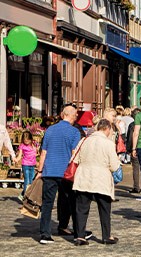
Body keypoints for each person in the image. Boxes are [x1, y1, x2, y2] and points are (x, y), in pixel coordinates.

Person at [35, 104, 83, 245]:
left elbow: (44, 152)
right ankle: (78, 232)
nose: (76, 118)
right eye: (75, 115)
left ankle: (45, 234)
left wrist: (39, 170)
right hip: (66, 173)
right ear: (69, 115)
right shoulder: (74, 132)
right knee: (73, 202)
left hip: (49, 171)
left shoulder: (50, 129)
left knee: (47, 204)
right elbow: (74, 153)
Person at [72, 119, 121, 245]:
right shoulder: (108, 143)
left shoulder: (84, 141)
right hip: (101, 179)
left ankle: (80, 236)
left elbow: (75, 159)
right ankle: (106, 236)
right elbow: (114, 166)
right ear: (107, 129)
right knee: (104, 209)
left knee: (81, 209)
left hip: (84, 177)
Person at [14, 131, 38, 201]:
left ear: (31, 139)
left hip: (32, 165)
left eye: (27, 140)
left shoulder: (34, 144)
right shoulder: (22, 145)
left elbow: (36, 153)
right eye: (24, 140)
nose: (26, 142)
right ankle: (25, 197)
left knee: (32, 182)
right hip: (25, 165)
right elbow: (20, 155)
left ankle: (24, 195)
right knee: (27, 181)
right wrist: (16, 159)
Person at [125, 107, 141, 194]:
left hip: (135, 148)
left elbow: (130, 138)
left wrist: (129, 149)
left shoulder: (132, 125)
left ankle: (136, 187)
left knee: (136, 168)